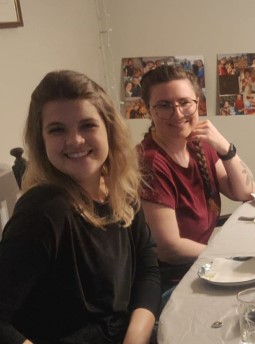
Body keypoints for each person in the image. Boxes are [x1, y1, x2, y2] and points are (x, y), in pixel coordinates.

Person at [0, 70, 160, 343]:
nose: (75, 140)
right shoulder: (43, 211)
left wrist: (134, 339)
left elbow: (148, 271)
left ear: (108, 129)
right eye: (57, 129)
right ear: (42, 141)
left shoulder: (121, 191)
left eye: (87, 125)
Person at [138, 65, 255, 293]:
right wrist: (226, 254)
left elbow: (246, 191)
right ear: (148, 111)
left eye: (184, 102)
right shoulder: (150, 162)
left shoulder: (199, 143)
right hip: (172, 280)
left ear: (198, 103)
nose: (177, 113)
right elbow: (169, 249)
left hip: (202, 264)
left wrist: (226, 148)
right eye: (164, 105)